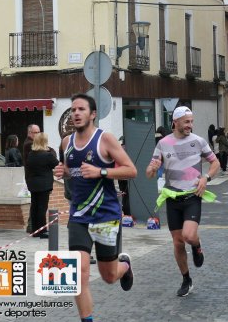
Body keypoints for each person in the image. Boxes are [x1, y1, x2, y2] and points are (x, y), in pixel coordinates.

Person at [53, 93, 137, 322]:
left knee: (109, 276)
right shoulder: (65, 142)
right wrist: (64, 172)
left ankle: (125, 266)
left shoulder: (105, 140)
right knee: (78, 275)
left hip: (105, 217)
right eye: (73, 110)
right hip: (79, 216)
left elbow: (131, 170)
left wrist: (102, 171)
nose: (76, 113)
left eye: (81, 109)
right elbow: (72, 172)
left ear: (92, 114)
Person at [145, 106, 220, 297]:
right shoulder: (163, 143)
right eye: (186, 122)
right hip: (172, 198)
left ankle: (196, 245)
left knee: (188, 235)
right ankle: (186, 279)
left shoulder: (198, 141)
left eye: (191, 122)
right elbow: (149, 173)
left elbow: (215, 163)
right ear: (175, 121)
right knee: (178, 243)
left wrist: (206, 179)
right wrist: (152, 169)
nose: (190, 125)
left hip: (192, 196)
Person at [25, 132, 58, 238]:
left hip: (33, 184)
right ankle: (42, 231)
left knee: (34, 207)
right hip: (44, 184)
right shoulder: (47, 155)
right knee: (42, 208)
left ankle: (35, 230)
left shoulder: (31, 154)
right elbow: (56, 164)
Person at [23, 124, 40, 233]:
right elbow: (47, 153)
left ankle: (32, 226)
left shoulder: (33, 144)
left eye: (39, 132)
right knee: (36, 204)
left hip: (35, 178)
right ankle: (32, 226)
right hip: (34, 178)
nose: (38, 135)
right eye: (36, 133)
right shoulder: (29, 144)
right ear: (30, 133)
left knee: (36, 203)